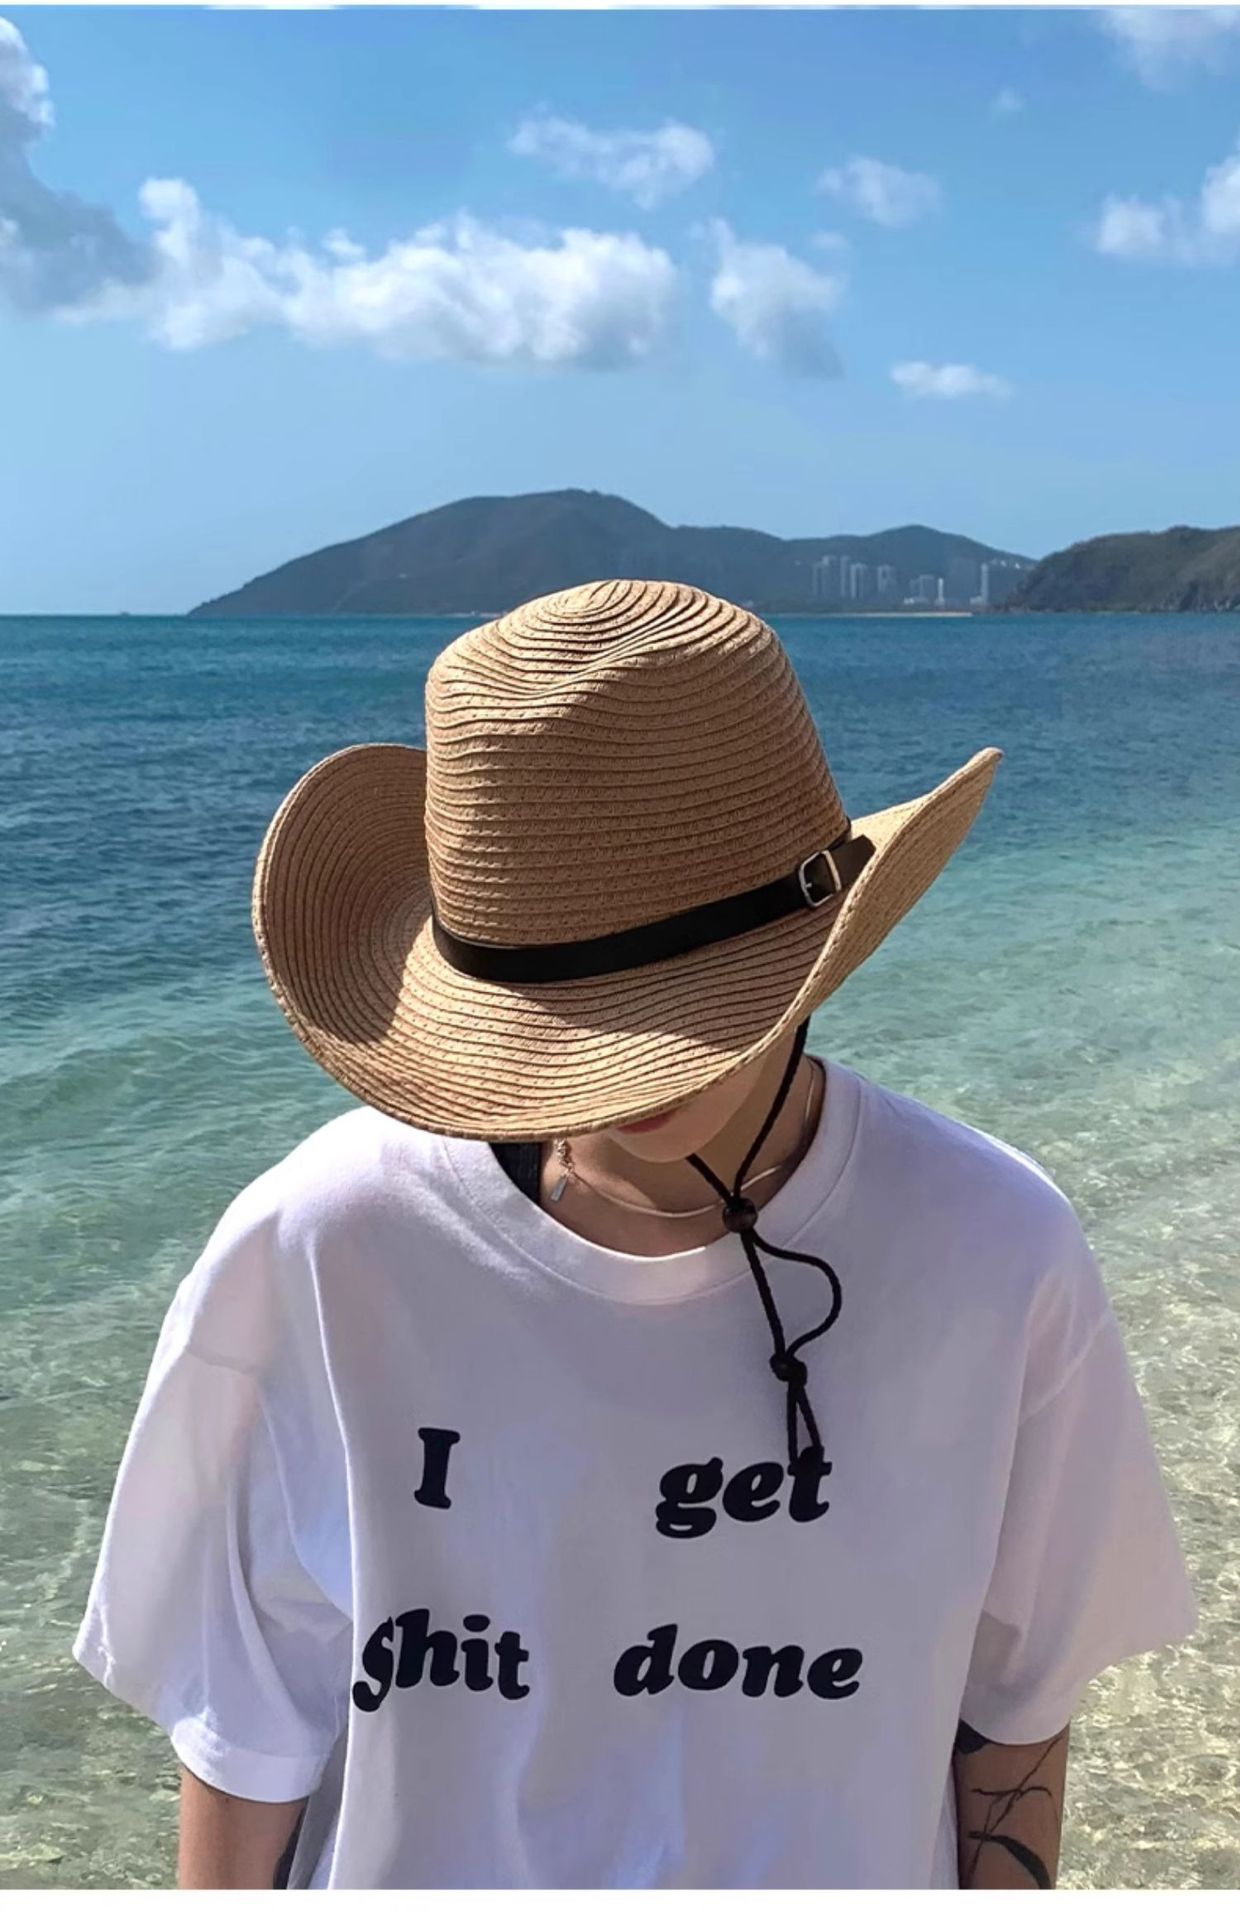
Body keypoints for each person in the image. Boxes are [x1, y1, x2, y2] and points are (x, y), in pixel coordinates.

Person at [71, 578, 1197, 1890]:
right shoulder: (324, 1243)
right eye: (572, 996)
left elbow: (1016, 1714)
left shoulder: (997, 1248)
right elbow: (246, 1718)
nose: (629, 1058)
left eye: (675, 991)